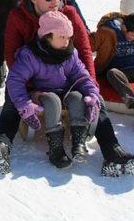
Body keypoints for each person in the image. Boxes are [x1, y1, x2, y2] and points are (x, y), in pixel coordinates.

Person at [0, 0, 95, 174]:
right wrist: (31, 92)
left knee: (92, 98)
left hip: (66, 79)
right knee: (12, 98)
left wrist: (91, 87)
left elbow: (84, 52)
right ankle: (2, 146)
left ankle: (113, 152)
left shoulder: (69, 13)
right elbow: (11, 56)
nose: (55, 1)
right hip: (32, 79)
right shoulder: (18, 16)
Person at [6, 12, 104, 169]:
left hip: (64, 90)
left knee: (77, 97)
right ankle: (55, 148)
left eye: (68, 37)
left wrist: (92, 94)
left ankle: (78, 141)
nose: (67, 42)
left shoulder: (70, 53)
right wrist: (24, 104)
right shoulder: (31, 55)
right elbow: (15, 79)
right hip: (41, 93)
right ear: (47, 36)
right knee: (52, 100)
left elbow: (82, 76)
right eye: (62, 37)